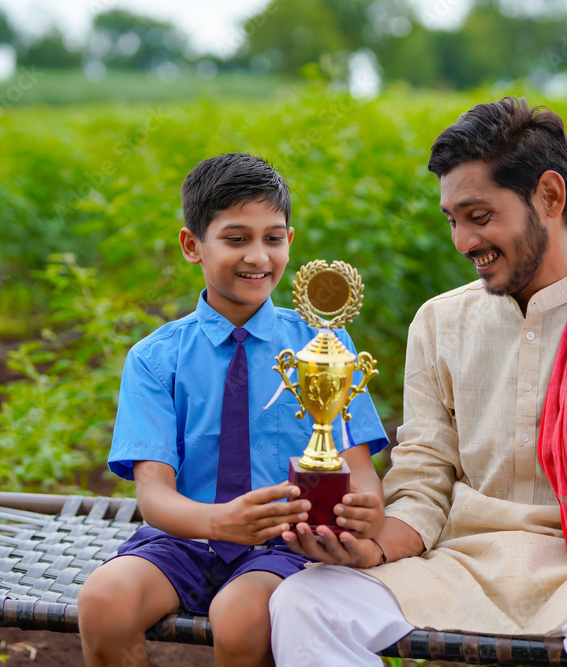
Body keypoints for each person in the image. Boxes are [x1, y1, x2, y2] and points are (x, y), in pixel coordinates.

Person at [269, 98, 567, 667]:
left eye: (479, 216)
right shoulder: (440, 321)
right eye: (452, 220)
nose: (463, 242)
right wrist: (369, 547)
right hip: (464, 567)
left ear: (549, 197)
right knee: (305, 600)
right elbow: (423, 478)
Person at [77, 153, 390, 667]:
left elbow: (360, 473)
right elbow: (154, 494)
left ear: (290, 240)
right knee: (103, 601)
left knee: (240, 617)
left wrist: (366, 508)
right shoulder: (156, 359)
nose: (258, 256)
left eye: (273, 237)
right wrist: (219, 522)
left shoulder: (322, 345)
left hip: (285, 544)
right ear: (192, 245)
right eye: (236, 238)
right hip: (186, 536)